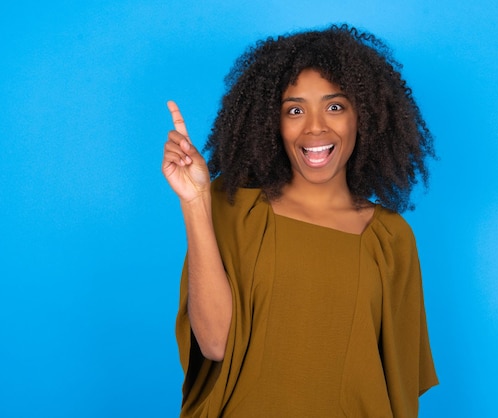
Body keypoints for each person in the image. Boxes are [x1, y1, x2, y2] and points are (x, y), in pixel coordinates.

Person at [162, 24, 438, 418]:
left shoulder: (390, 239)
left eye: (335, 106)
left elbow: (397, 389)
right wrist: (195, 202)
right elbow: (215, 344)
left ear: (365, 116)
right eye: (295, 110)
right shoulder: (234, 210)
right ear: (272, 123)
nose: (315, 127)